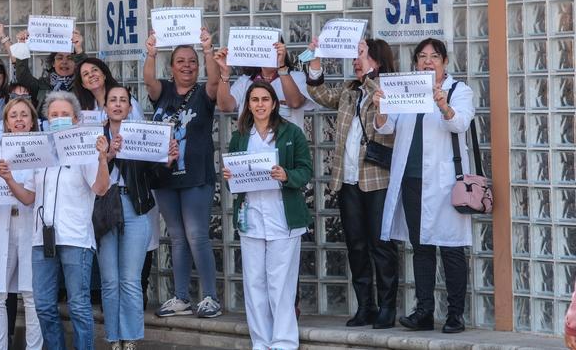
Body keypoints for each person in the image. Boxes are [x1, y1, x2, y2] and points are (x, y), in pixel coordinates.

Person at [374, 38, 476, 334]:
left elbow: (461, 124)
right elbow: (386, 127)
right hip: (411, 179)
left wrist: (444, 105)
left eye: (434, 56)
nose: (427, 61)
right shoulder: (407, 89)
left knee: (452, 247)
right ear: (415, 63)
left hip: (445, 182)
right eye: (422, 57)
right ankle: (424, 311)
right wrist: (381, 107)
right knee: (421, 247)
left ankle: (455, 314)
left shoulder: (459, 91)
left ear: (445, 62)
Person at [1, 91, 110, 350]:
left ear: (75, 119)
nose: (58, 119)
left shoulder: (85, 148)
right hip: (42, 240)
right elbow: (28, 197)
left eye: (64, 115)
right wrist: (9, 179)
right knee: (44, 305)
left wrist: (102, 158)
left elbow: (101, 188)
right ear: (46, 119)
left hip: (75, 238)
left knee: (79, 305)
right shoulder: (41, 149)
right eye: (53, 115)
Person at [304, 38, 399, 329]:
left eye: (360, 55)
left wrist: (371, 80)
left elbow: (388, 127)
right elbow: (319, 94)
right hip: (347, 180)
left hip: (376, 180)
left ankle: (386, 308)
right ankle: (365, 306)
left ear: (377, 61)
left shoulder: (388, 89)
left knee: (381, 246)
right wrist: (316, 61)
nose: (355, 60)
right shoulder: (349, 91)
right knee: (356, 246)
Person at [223, 82, 312, 350]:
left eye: (264, 99)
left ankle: (284, 342)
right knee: (254, 284)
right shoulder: (240, 136)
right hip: (250, 218)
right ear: (248, 104)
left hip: (283, 218)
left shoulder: (291, 132)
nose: (259, 104)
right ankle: (261, 342)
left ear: (274, 103)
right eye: (254, 99)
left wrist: (287, 176)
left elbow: (305, 171)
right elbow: (232, 182)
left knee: (280, 285)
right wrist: (229, 177)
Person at [143, 29, 224, 319]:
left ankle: (210, 297)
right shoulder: (162, 91)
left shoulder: (203, 93)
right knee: (176, 237)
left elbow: (215, 81)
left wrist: (207, 49)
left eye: (192, 61)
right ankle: (181, 297)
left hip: (196, 176)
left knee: (196, 235)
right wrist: (151, 53)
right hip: (165, 177)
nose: (187, 65)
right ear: (172, 66)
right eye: (181, 61)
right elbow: (148, 80)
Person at [100, 86, 180, 350]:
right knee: (110, 281)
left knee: (131, 279)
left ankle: (131, 338)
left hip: (134, 205)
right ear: (105, 106)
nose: (118, 104)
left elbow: (154, 177)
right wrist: (109, 154)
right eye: (113, 100)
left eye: (123, 100)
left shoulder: (141, 134)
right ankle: (114, 338)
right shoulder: (95, 136)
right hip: (104, 206)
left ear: (130, 107)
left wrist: (167, 161)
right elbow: (87, 176)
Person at [0, 97, 44, 350]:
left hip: (30, 227)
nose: (19, 120)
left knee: (32, 295)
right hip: (0, 225)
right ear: (6, 122)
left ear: (32, 121)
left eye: (24, 115)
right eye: (13, 115)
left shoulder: (41, 151)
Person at [216, 36, 313, 130]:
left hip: (286, 144)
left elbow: (295, 103)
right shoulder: (245, 81)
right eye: (263, 49)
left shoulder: (296, 77)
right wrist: (224, 72)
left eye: (273, 49)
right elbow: (225, 107)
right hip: (252, 144)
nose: (267, 53)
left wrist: (281, 66)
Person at [6, 27, 86, 105]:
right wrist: (22, 45)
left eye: (70, 58)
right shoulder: (42, 85)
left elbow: (85, 72)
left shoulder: (82, 84)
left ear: (75, 62)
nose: (64, 62)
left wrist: (78, 49)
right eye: (59, 58)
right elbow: (22, 76)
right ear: (53, 63)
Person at [72, 57, 144, 123]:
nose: (91, 75)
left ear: (104, 75)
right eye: (86, 74)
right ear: (83, 85)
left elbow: (140, 129)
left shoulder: (126, 101)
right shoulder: (85, 110)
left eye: (94, 70)